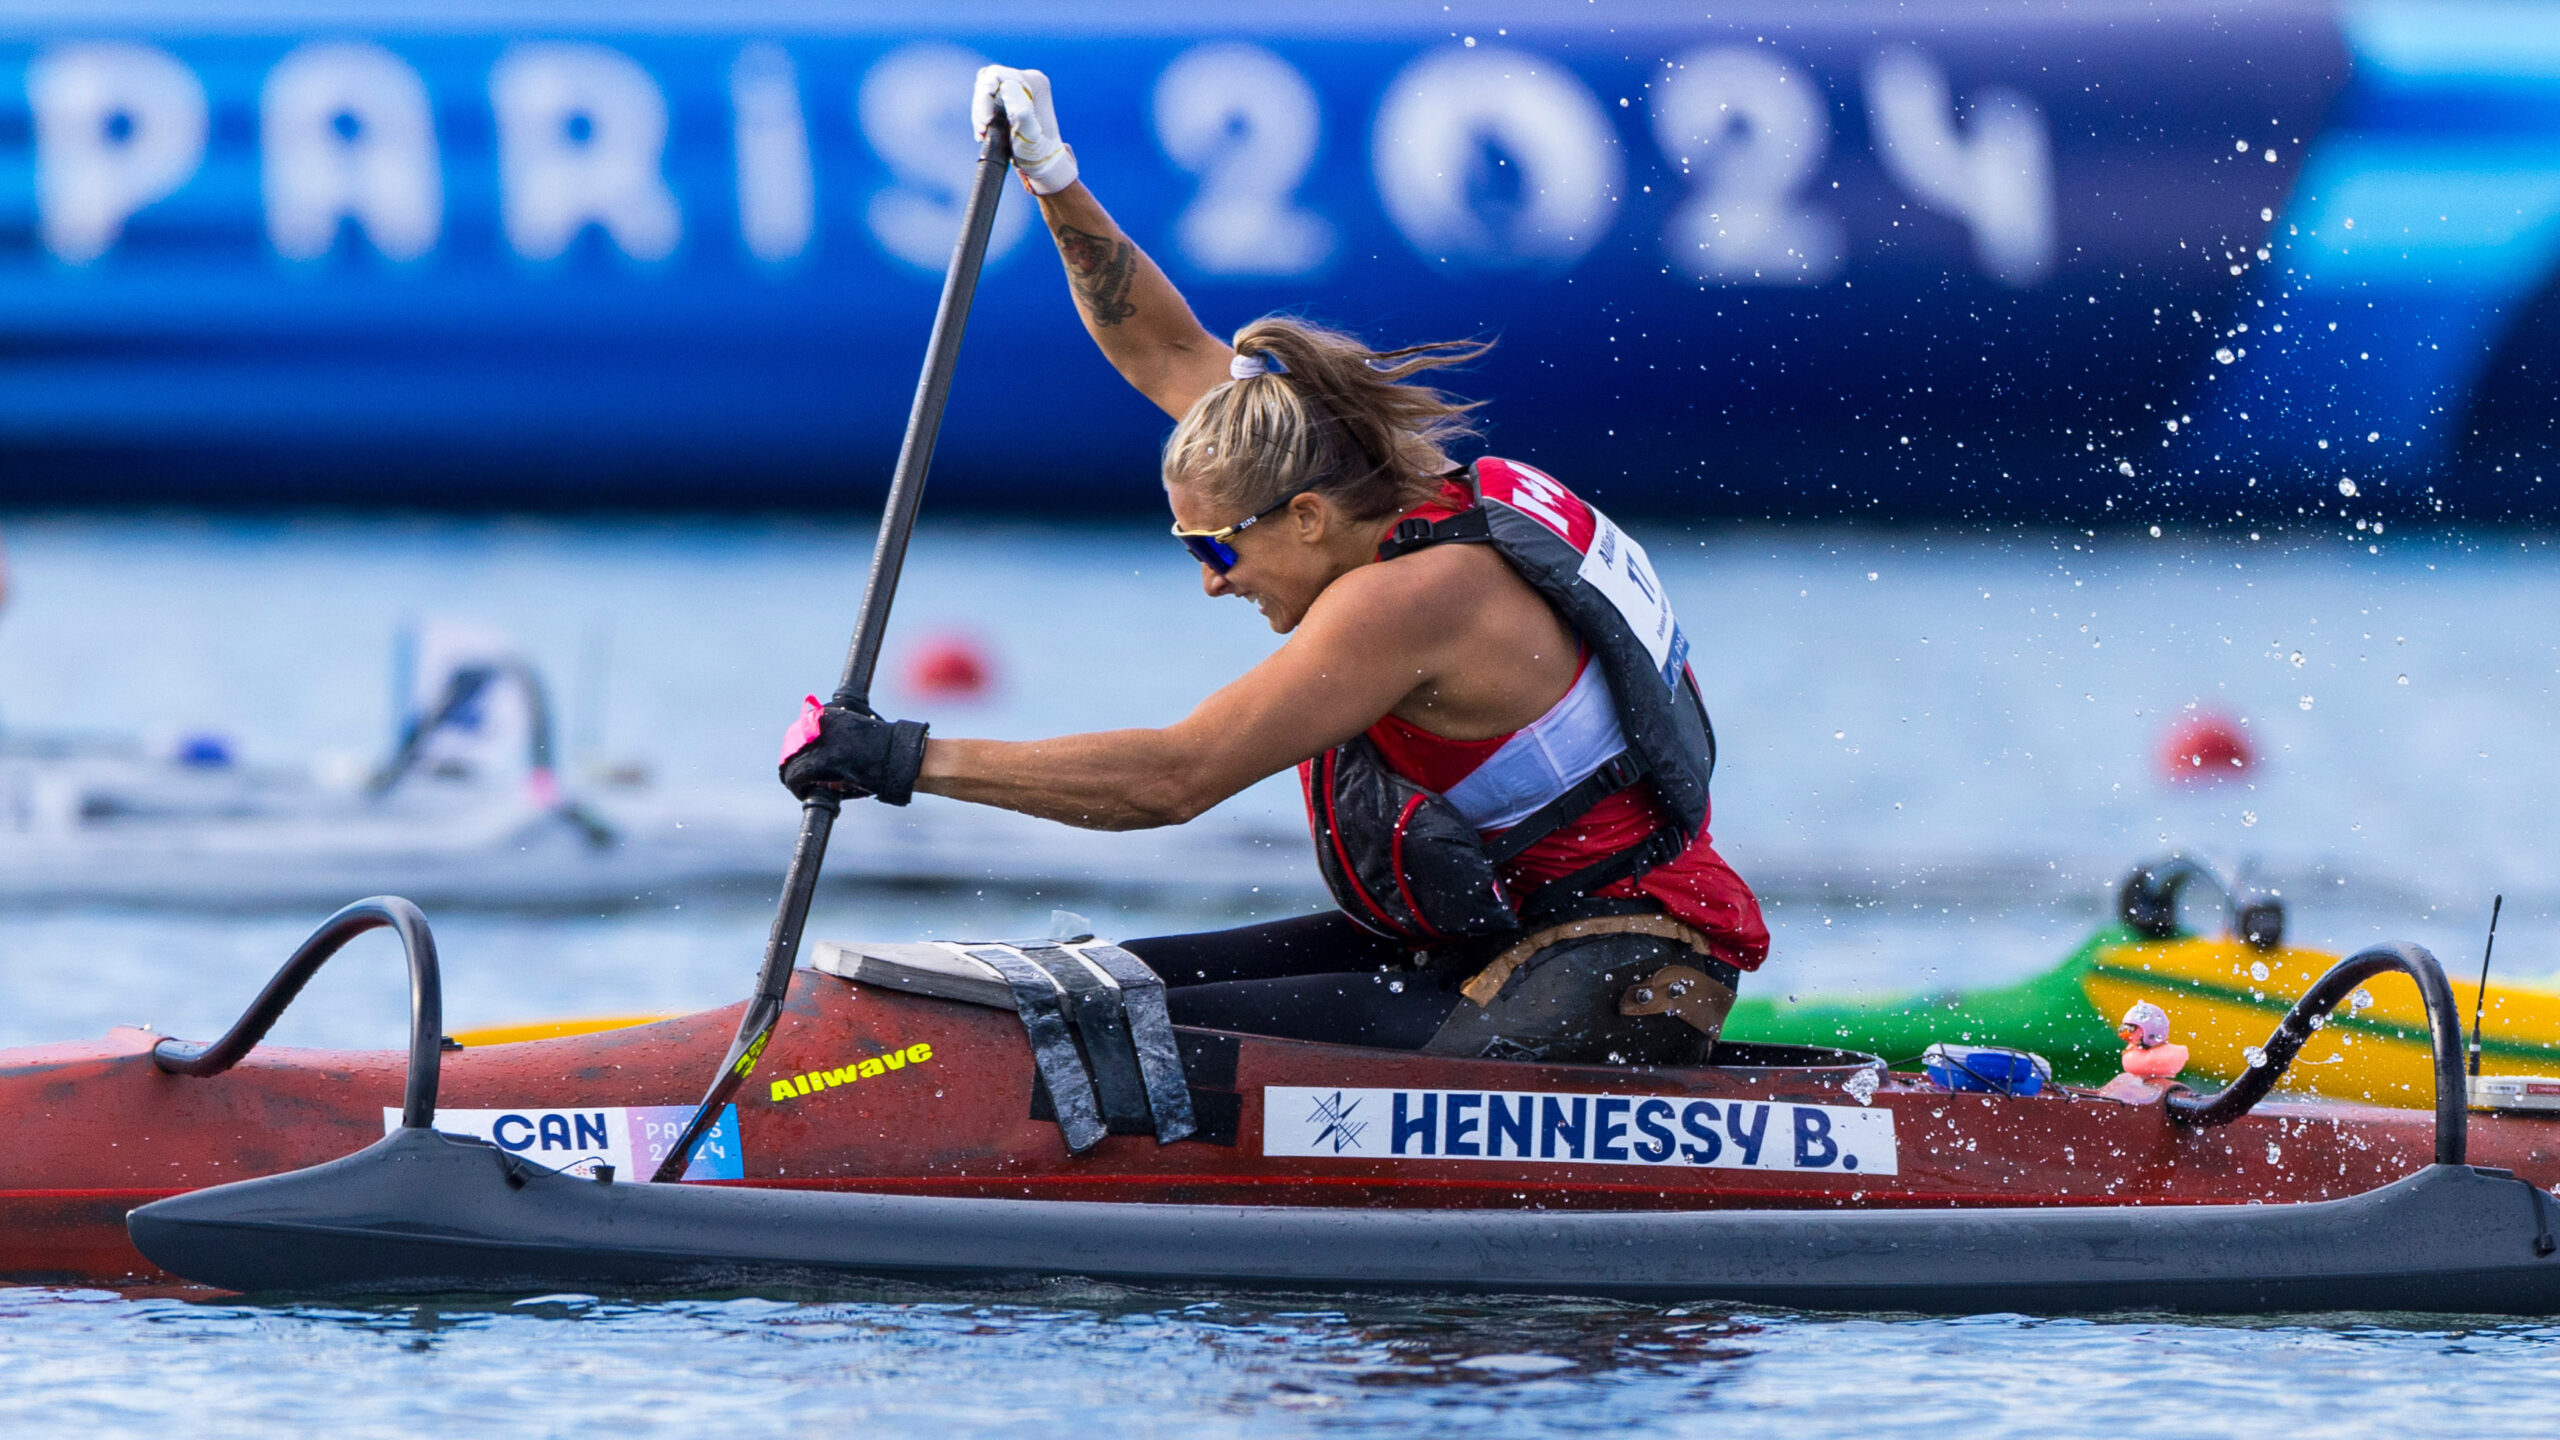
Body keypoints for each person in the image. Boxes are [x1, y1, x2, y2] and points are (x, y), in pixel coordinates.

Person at [780, 66, 1768, 1065]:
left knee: (1117, 1045)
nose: (1212, 580)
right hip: (1492, 933)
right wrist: (1049, 173)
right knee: (1084, 996)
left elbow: (1173, 780)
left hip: (1616, 961)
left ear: (1300, 518)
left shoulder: (1416, 598)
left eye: (1217, 548)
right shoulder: (1366, 478)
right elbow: (1164, 353)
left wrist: (902, 760)